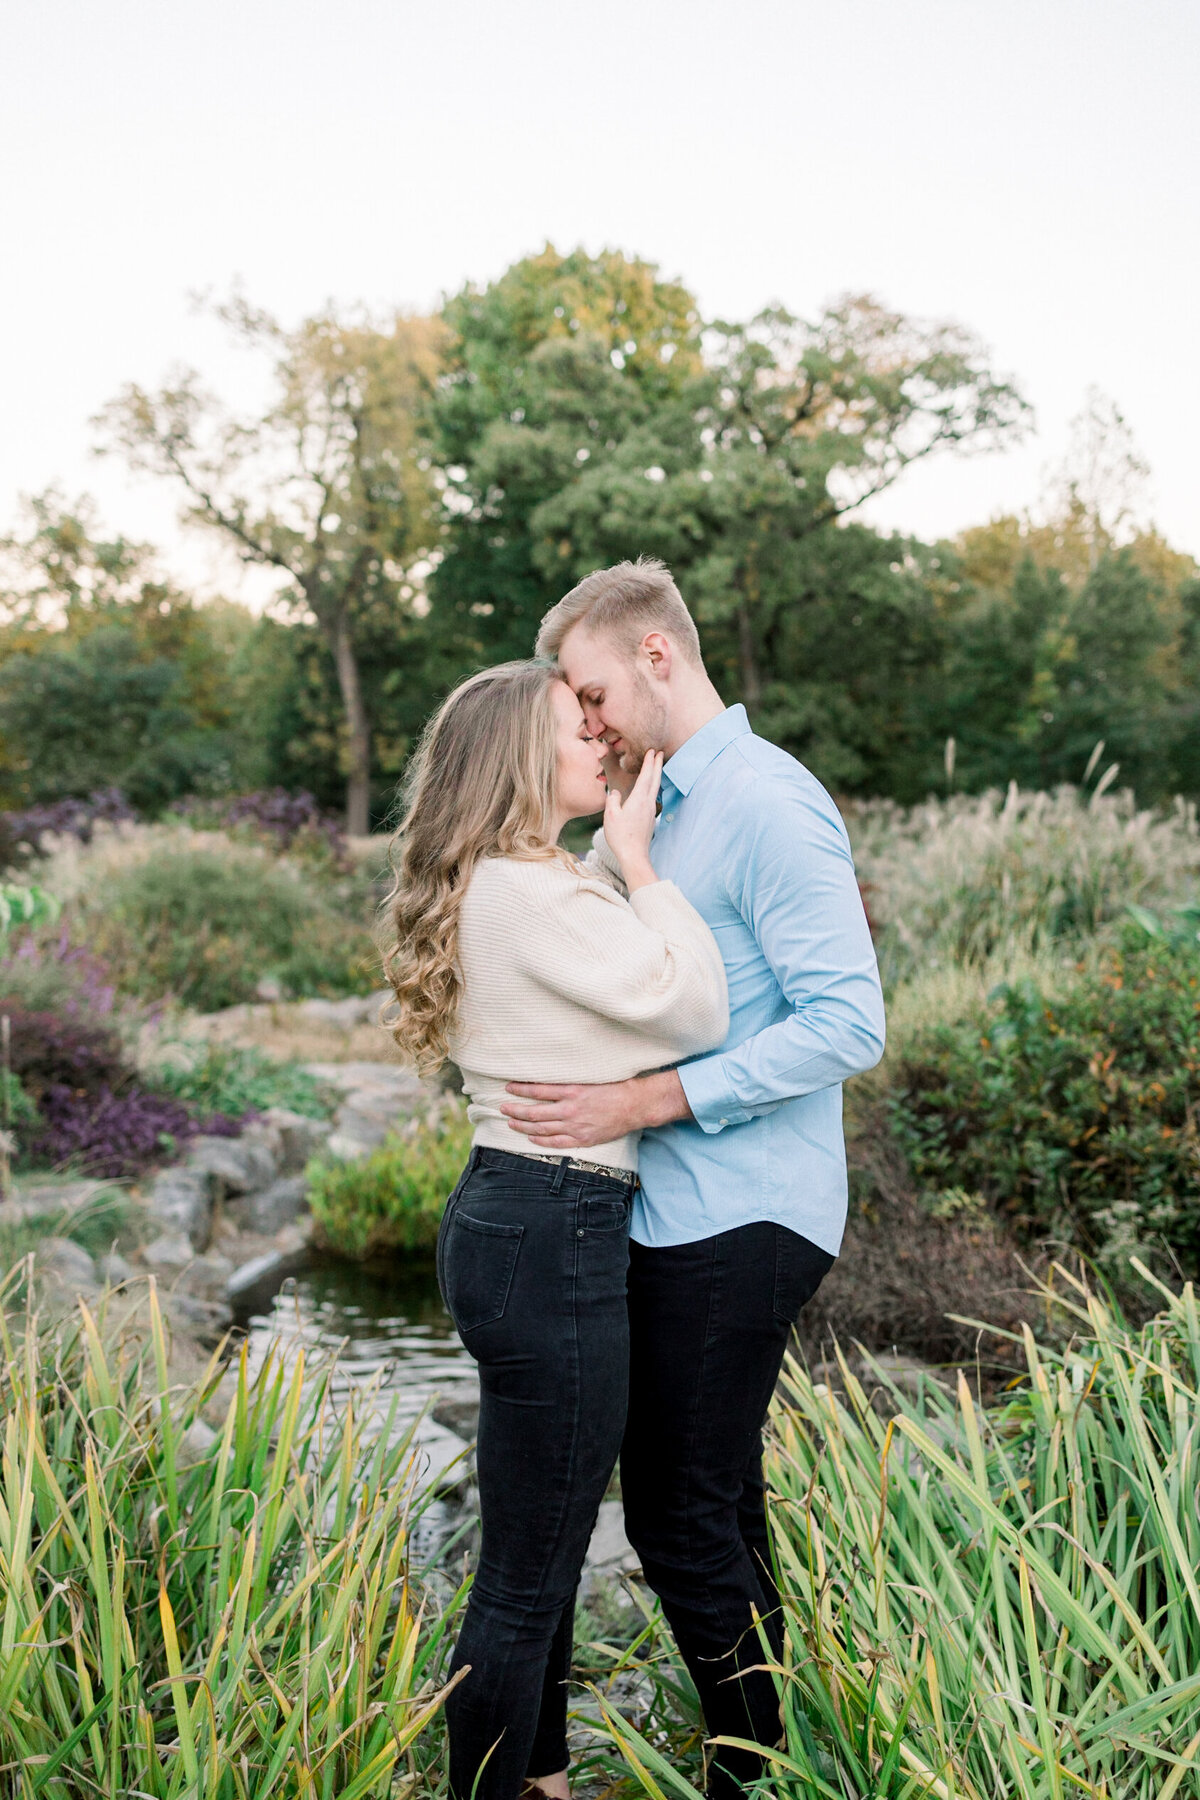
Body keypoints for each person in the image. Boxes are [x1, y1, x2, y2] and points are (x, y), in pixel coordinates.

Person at [501, 560, 886, 1800]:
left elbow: (848, 1023)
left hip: (746, 1210)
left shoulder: (769, 803)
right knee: (716, 1506)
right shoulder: (654, 803)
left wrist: (640, 1101)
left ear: (658, 657)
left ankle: (749, 1776)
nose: (590, 720)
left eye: (597, 692)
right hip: (668, 1211)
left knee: (674, 1518)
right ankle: (769, 1758)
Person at [382, 658, 728, 1800]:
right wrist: (639, 865)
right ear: (517, 760)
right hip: (557, 1222)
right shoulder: (540, 893)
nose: (596, 734)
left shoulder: (512, 883)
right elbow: (697, 1008)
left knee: (535, 1549)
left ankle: (539, 1779)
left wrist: (603, 867)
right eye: (570, 724)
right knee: (528, 1579)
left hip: (514, 1216)